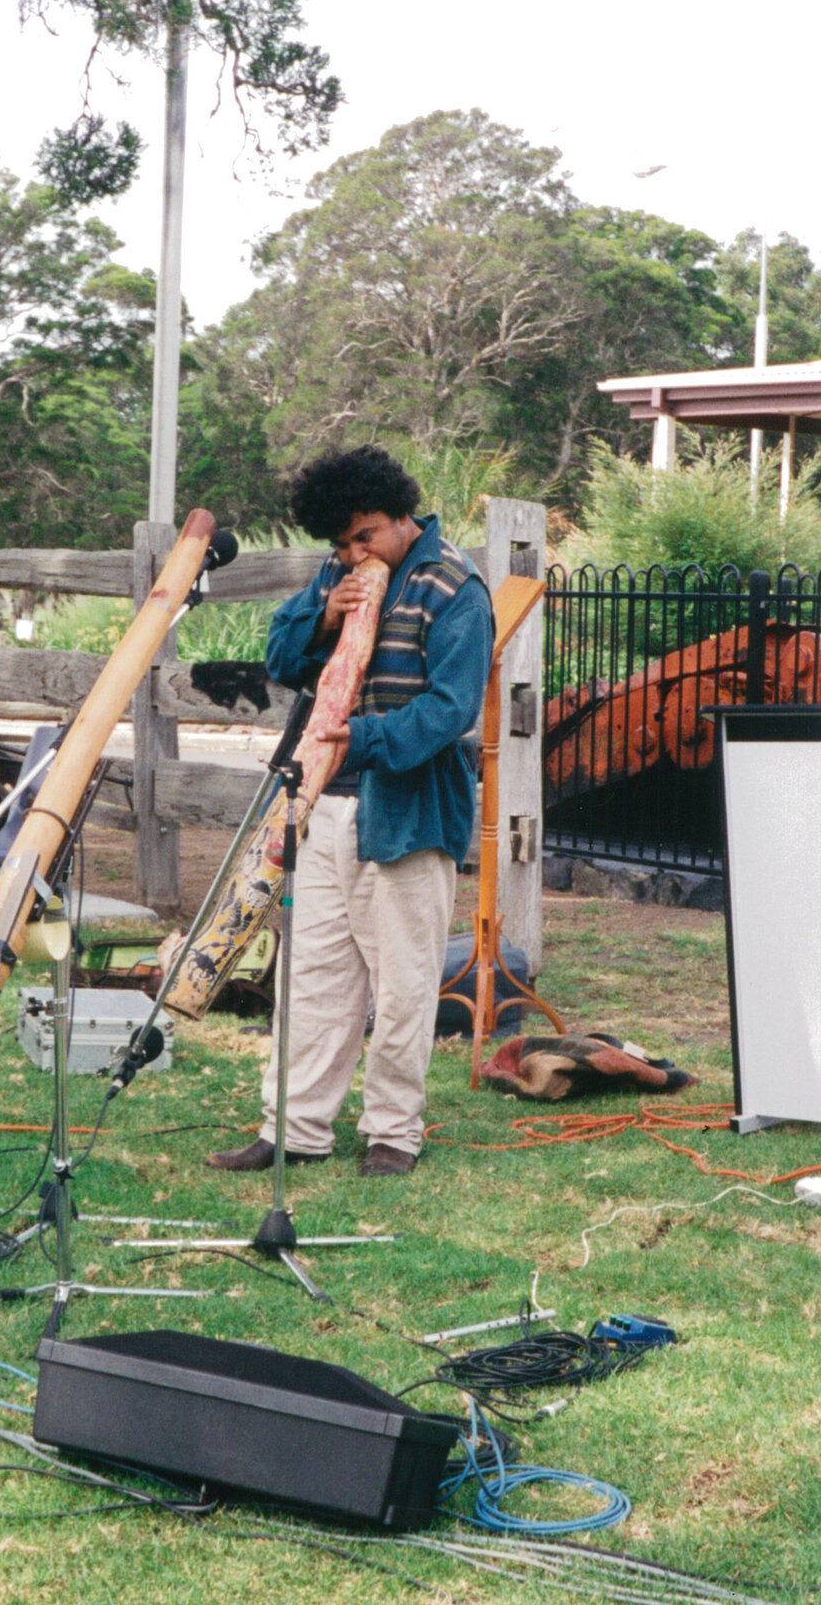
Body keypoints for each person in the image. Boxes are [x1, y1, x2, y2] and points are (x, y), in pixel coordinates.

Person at [207, 445, 494, 1177]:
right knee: (313, 975)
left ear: (403, 515)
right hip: (322, 807)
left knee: (403, 981)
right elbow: (279, 655)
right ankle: (294, 1129)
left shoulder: (456, 588)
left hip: (409, 811)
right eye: (340, 543)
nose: (352, 553)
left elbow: (451, 709)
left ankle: (393, 1133)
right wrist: (322, 618)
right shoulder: (335, 576)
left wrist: (360, 737)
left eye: (365, 537)